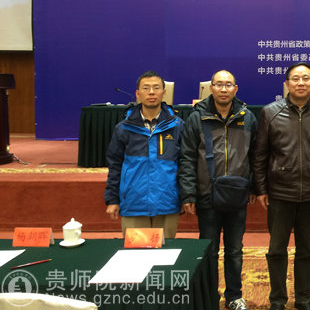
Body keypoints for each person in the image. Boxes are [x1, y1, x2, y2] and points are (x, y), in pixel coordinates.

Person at [253, 62, 310, 310]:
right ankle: (277, 300)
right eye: (296, 78)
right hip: (280, 192)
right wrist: (261, 189)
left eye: (306, 78)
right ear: (287, 83)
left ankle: (303, 298)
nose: (301, 83)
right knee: (276, 250)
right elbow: (260, 154)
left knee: (307, 250)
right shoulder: (270, 112)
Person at [178, 70, 257, 310]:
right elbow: (187, 157)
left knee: (235, 250)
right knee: (208, 251)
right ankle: (209, 295)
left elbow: (256, 156)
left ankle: (234, 296)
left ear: (236, 88)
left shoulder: (248, 117)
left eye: (228, 85)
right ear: (210, 88)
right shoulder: (197, 118)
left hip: (237, 194)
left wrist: (254, 185)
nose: (224, 89)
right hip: (207, 194)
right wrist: (188, 193)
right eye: (219, 84)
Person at [105, 70, 184, 238]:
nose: (151, 92)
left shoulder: (178, 126)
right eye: (146, 88)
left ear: (164, 92)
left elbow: (186, 164)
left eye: (156, 88)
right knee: (136, 253)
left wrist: (186, 197)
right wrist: (112, 199)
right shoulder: (123, 128)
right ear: (137, 93)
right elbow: (115, 166)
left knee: (166, 252)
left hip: (167, 202)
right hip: (134, 203)